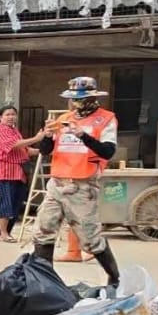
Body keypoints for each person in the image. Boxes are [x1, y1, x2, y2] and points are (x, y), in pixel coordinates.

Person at [32, 76, 121, 287]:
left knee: (90, 239)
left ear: (92, 98)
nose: (76, 103)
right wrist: (46, 136)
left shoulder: (106, 119)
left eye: (80, 99)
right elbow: (46, 151)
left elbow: (108, 152)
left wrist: (83, 136)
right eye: (73, 99)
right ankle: (46, 281)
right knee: (43, 230)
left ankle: (115, 277)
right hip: (57, 182)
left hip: (83, 184)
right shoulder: (64, 118)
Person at [0, 104, 42, 242]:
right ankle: (4, 233)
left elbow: (25, 149)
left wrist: (44, 150)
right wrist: (36, 139)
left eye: (13, 114)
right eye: (7, 114)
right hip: (4, 171)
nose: (11, 117)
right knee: (6, 201)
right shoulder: (0, 130)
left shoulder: (14, 131)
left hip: (18, 171)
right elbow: (14, 145)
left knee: (17, 202)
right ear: (0, 117)